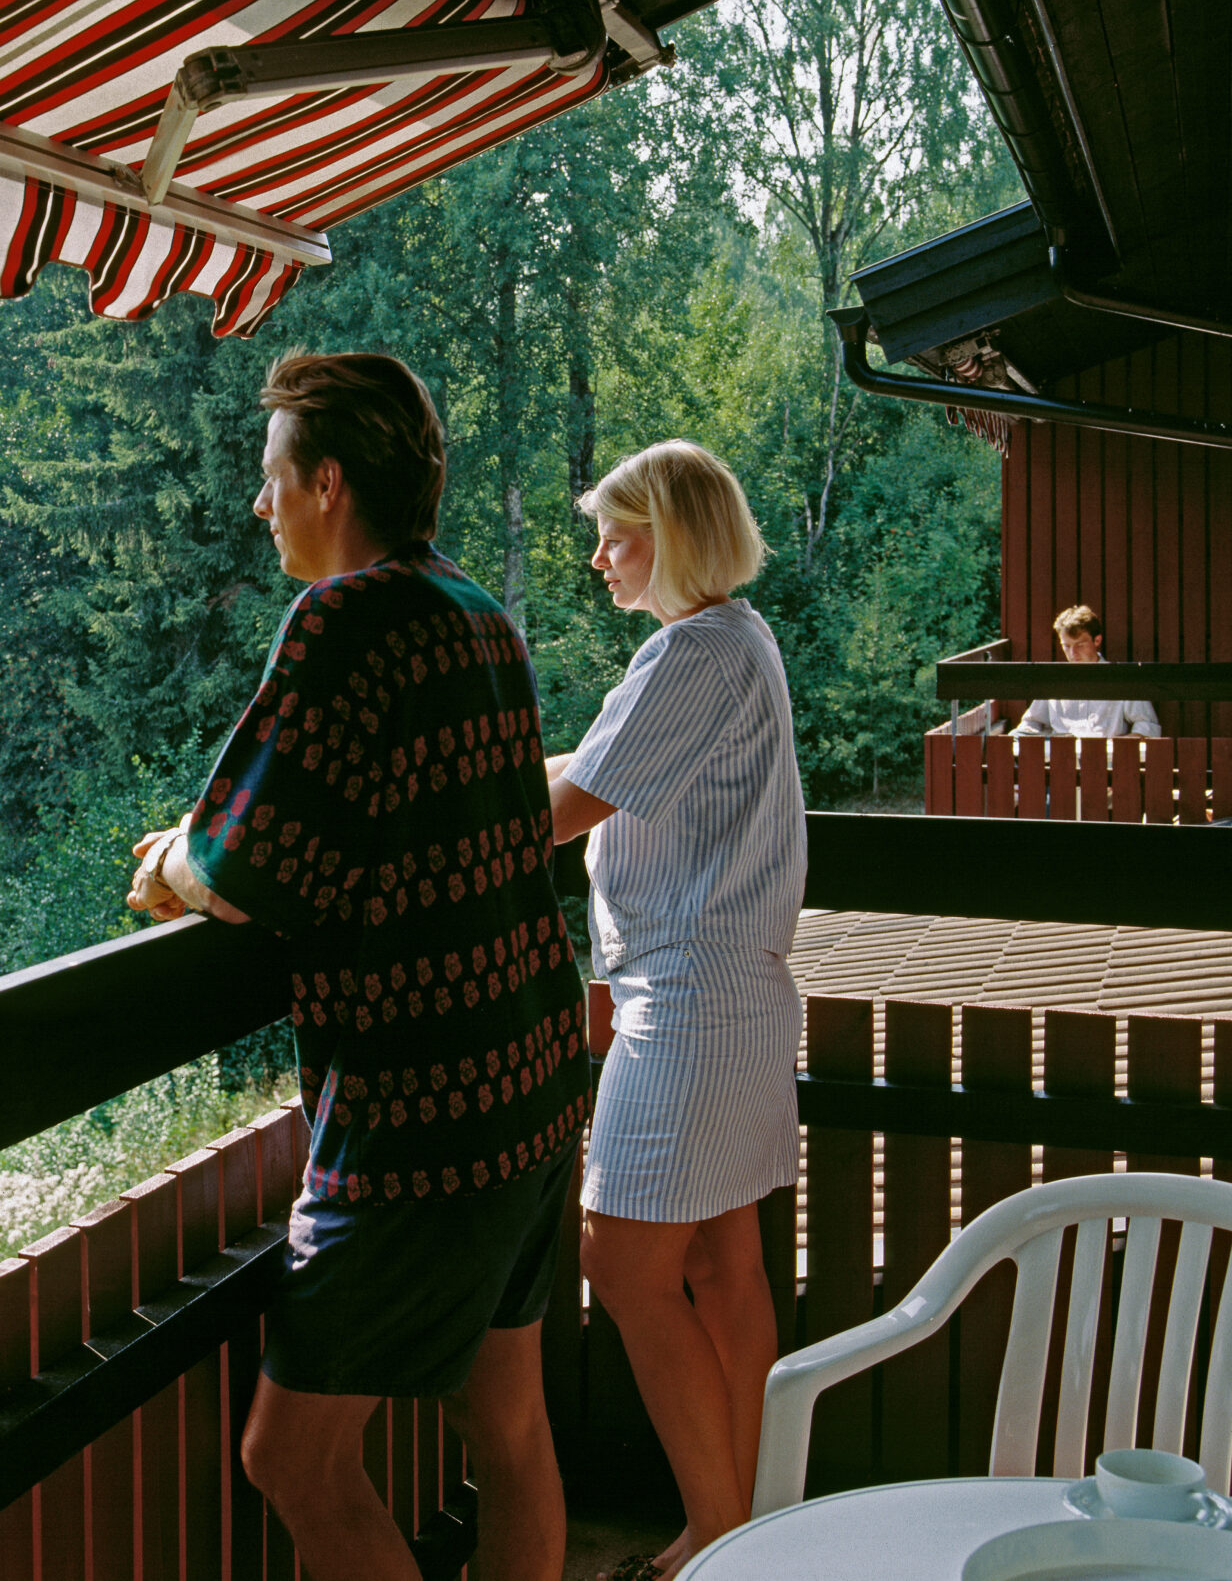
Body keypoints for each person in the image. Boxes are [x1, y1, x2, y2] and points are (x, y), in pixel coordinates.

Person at [125, 352, 591, 1581]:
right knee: (511, 1428)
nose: (258, 505)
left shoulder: (345, 619)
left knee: (292, 1456)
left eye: (271, 477)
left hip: (420, 1121)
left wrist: (174, 855)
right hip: (532, 1084)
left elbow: (246, 862)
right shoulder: (480, 617)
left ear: (327, 481)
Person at [546, 440, 804, 1580]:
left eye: (616, 530)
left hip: (689, 1001)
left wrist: (422, 799)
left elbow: (561, 805)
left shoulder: (691, 653)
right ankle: (746, 1519)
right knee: (720, 1265)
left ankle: (718, 1532)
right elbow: (593, 763)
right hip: (739, 996)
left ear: (674, 532)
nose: (599, 557)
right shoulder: (739, 643)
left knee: (624, 1261)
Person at [1014, 605, 1161, 738]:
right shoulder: (1054, 680)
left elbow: (1147, 726)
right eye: (1066, 646)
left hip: (1108, 762)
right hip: (1061, 760)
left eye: (1080, 645)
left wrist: (1117, 748)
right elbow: (1031, 723)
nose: (1073, 653)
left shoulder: (1122, 678)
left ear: (1097, 640)